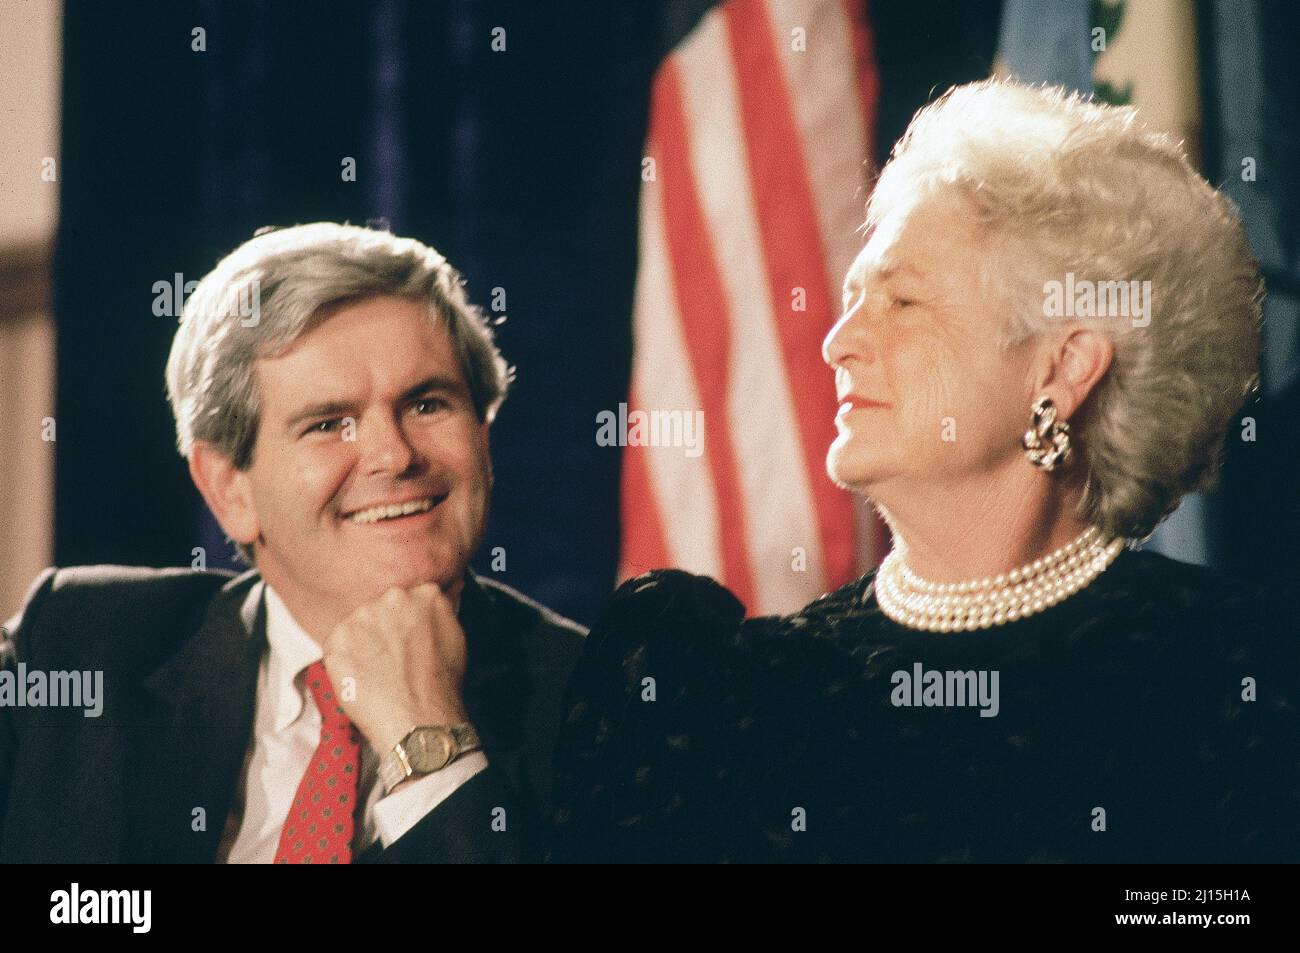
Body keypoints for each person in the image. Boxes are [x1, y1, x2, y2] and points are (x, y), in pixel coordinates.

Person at [549, 80, 1299, 863]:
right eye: (851, 299)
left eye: (902, 302)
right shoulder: (719, 695)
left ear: (1063, 368)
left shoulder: (1243, 677)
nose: (839, 341)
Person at [0, 223, 585, 863]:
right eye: (330, 423)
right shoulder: (78, 644)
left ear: (483, 433)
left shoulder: (604, 698)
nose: (393, 455)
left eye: (427, 404)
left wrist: (426, 740)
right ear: (230, 490)